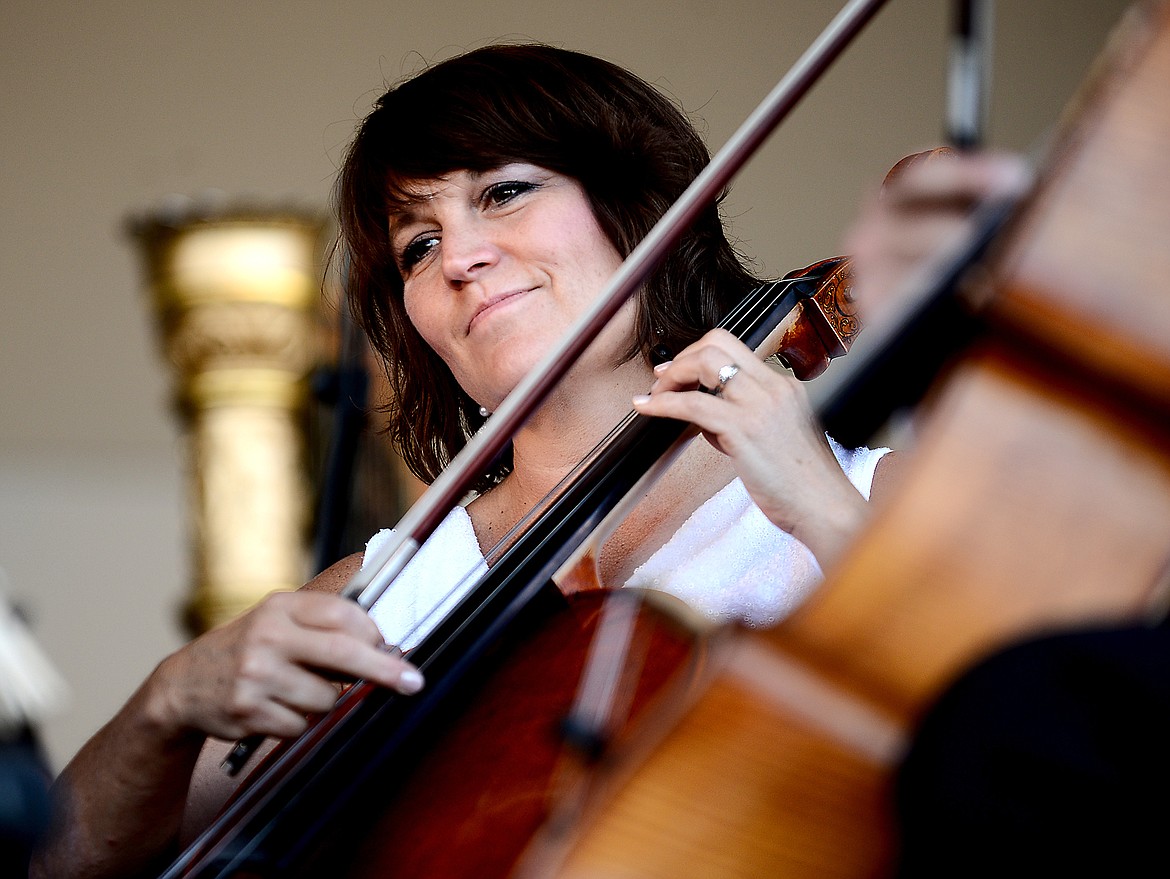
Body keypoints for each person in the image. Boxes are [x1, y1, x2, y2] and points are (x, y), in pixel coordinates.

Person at [31, 44, 899, 878]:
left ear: (639, 208)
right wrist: (168, 703)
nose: (461, 258)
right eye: (418, 244)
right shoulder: (376, 601)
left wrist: (827, 516)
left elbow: (1013, 772)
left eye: (505, 192)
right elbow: (58, 863)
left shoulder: (883, 503)